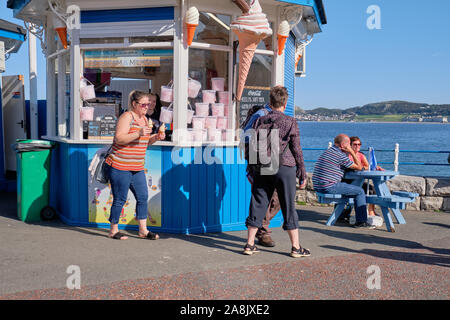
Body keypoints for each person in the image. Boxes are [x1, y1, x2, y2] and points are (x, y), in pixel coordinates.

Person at [243, 86, 309, 258]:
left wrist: (250, 168)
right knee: (288, 205)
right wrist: (302, 172)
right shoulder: (290, 121)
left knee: (258, 203)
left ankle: (249, 244)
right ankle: (295, 247)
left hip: (263, 165)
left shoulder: (259, 120)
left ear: (270, 103)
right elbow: (296, 149)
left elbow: (250, 144)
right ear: (285, 103)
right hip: (284, 166)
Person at [105, 90, 165, 240]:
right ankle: (113, 230)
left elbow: (145, 142)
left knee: (143, 197)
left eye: (149, 104)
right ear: (134, 104)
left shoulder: (145, 119)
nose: (147, 107)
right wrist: (138, 133)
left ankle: (143, 230)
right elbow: (119, 139)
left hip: (137, 167)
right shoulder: (127, 117)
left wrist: (156, 137)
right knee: (120, 198)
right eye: (143, 104)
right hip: (120, 165)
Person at [312, 134, 376, 229]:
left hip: (318, 186)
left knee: (350, 188)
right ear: (342, 145)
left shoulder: (328, 152)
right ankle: (361, 221)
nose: (350, 147)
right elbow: (359, 167)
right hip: (329, 186)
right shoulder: (340, 155)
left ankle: (343, 215)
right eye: (349, 145)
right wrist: (352, 152)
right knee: (359, 191)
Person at [241, 101, 280, 248]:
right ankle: (262, 230)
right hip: (260, 159)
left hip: (274, 159)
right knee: (266, 195)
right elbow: (246, 135)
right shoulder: (262, 114)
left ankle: (256, 221)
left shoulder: (279, 116)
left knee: (278, 197)